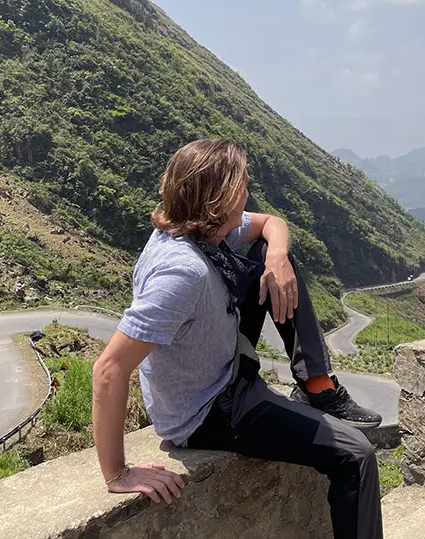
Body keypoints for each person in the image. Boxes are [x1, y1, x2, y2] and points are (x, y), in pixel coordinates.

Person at [92, 139, 385, 539]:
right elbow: (109, 368)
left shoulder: (202, 230)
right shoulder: (182, 273)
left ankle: (317, 384)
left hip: (224, 363)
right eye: (242, 187)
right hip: (213, 409)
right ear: (221, 201)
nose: (247, 194)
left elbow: (272, 224)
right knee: (356, 455)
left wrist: (277, 256)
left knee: (271, 251)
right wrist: (118, 473)